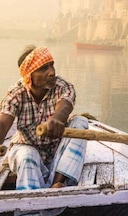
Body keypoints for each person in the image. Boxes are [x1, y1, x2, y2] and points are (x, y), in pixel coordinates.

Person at [0, 45, 88, 191]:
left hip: (56, 155)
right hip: (25, 148)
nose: (52, 72)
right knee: (28, 155)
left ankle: (58, 182)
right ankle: (30, 208)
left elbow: (65, 105)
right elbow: (3, 124)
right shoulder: (15, 94)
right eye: (43, 69)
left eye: (51, 66)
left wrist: (57, 119)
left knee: (80, 122)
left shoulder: (63, 86)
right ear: (29, 76)